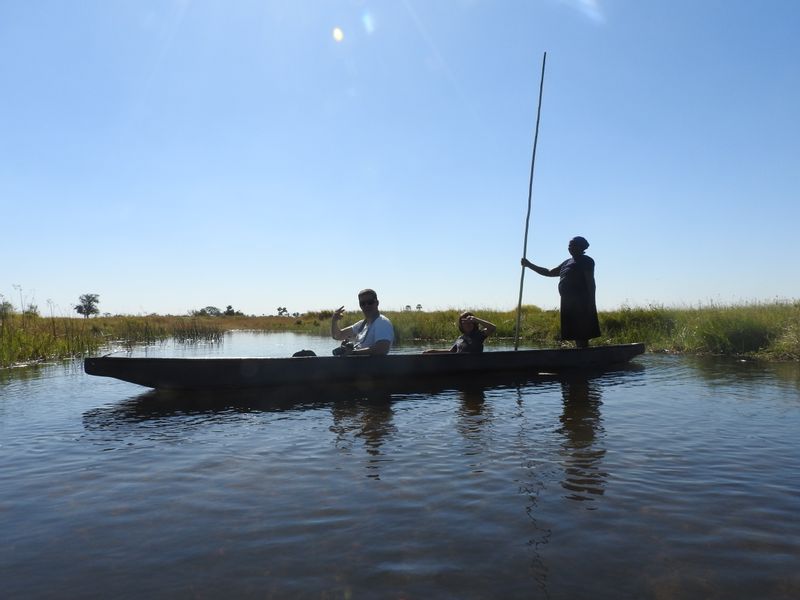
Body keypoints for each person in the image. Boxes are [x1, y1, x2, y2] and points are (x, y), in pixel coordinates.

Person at [521, 236, 601, 348]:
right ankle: (579, 353)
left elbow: (590, 282)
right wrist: (529, 265)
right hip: (568, 302)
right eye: (569, 245)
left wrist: (591, 302)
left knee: (582, 332)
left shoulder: (586, 261)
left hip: (581, 302)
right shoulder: (567, 262)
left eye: (573, 245)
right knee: (573, 331)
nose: (570, 247)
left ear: (581, 247)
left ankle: (583, 355)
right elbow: (549, 272)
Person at [330, 288, 394, 356]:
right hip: (357, 365)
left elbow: (382, 349)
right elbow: (337, 336)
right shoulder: (361, 325)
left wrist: (353, 353)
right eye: (363, 303)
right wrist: (334, 321)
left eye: (370, 302)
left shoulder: (382, 322)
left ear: (377, 303)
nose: (366, 306)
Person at [423, 312, 496, 354]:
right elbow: (451, 351)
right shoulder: (460, 338)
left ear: (474, 323)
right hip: (460, 365)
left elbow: (492, 328)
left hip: (472, 366)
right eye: (465, 322)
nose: (468, 324)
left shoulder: (479, 334)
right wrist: (432, 351)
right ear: (461, 325)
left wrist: (475, 319)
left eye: (470, 322)